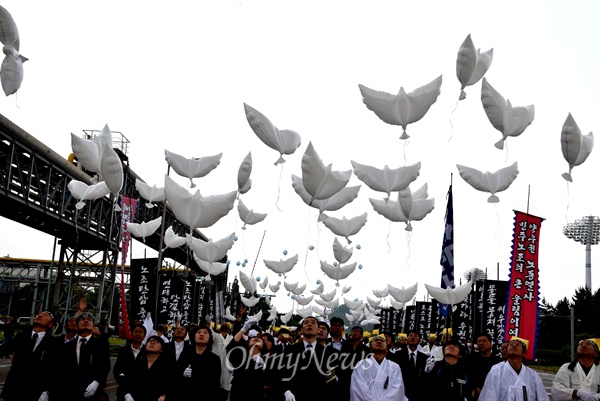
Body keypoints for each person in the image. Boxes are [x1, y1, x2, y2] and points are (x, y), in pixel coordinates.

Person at [0, 311, 59, 401]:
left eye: (45, 315)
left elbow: (53, 370)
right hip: (13, 389)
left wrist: (46, 391)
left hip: (35, 392)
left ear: (51, 325)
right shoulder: (21, 336)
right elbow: (4, 349)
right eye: (39, 314)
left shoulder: (53, 343)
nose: (40, 315)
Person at [280, 316, 340, 401]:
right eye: (306, 322)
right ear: (301, 330)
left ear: (318, 329)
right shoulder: (290, 350)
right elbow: (284, 374)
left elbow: (331, 381)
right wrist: (287, 391)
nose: (309, 324)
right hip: (295, 396)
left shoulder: (328, 353)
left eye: (313, 323)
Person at [57, 311, 111, 401]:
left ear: (93, 326)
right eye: (82, 319)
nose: (86, 321)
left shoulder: (101, 344)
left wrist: (97, 382)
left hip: (91, 392)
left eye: (89, 320)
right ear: (77, 326)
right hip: (69, 393)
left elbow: (105, 366)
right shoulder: (67, 346)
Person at [478, 337, 549, 401]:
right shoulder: (496, 372)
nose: (514, 345)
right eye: (511, 344)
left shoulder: (533, 375)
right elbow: (489, 397)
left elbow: (543, 398)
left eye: (517, 345)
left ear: (524, 353)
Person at [350, 334, 408, 401]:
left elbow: (397, 389)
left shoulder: (394, 367)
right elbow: (358, 388)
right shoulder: (361, 365)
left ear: (386, 349)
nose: (379, 342)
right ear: (370, 349)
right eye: (375, 340)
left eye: (382, 341)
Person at [120, 335, 175, 401]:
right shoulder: (137, 363)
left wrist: (165, 396)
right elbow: (126, 381)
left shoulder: (167, 366)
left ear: (162, 349)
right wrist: (127, 395)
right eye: (150, 341)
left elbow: (172, 385)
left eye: (157, 342)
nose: (152, 343)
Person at [178, 325, 222, 399]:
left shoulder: (214, 359)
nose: (201, 334)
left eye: (205, 333)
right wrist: (182, 373)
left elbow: (215, 384)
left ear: (209, 338)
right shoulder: (186, 354)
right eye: (198, 332)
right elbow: (176, 371)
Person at [389, 329, 428, 401]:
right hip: (401, 392)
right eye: (410, 336)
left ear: (419, 341)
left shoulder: (424, 358)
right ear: (407, 340)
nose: (412, 338)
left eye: (415, 336)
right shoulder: (398, 355)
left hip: (418, 394)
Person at [113, 324, 148, 401]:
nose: (138, 334)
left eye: (140, 332)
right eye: (135, 331)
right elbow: (117, 371)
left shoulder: (147, 351)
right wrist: (126, 393)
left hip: (142, 393)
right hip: (124, 392)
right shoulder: (124, 350)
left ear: (144, 336)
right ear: (132, 334)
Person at [338, 326, 371, 400]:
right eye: (353, 331)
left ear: (361, 335)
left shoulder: (366, 349)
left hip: (358, 379)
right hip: (344, 378)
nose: (354, 333)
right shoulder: (344, 345)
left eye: (357, 331)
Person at [469, 333, 503, 400]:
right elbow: (471, 377)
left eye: (484, 341)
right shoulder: (471, 359)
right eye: (479, 341)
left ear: (491, 343)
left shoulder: (498, 361)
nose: (481, 343)